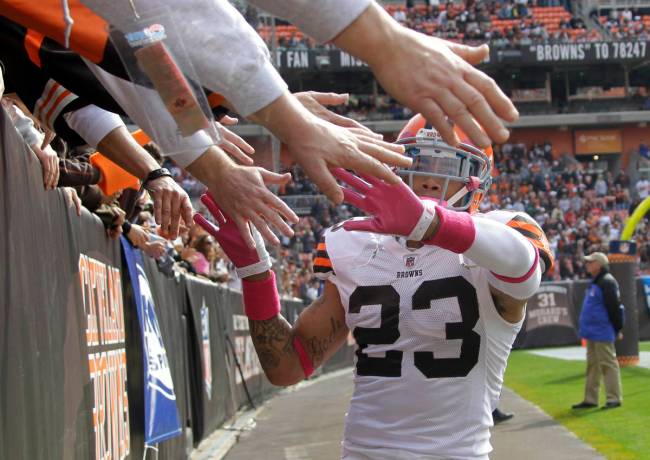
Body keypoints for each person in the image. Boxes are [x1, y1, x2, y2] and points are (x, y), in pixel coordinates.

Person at [194, 114, 554, 459]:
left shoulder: (500, 238)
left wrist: (429, 222)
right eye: (417, 161)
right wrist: (256, 273)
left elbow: (525, 269)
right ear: (395, 167)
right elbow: (286, 367)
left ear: (476, 181)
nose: (430, 179)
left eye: (450, 166)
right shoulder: (355, 243)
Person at [572, 252, 623, 410]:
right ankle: (590, 399)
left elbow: (614, 308)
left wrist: (617, 328)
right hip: (593, 332)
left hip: (602, 331)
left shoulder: (607, 282)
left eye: (590, 262)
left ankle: (614, 398)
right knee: (592, 366)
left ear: (599, 264)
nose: (587, 264)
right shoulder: (597, 281)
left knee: (608, 364)